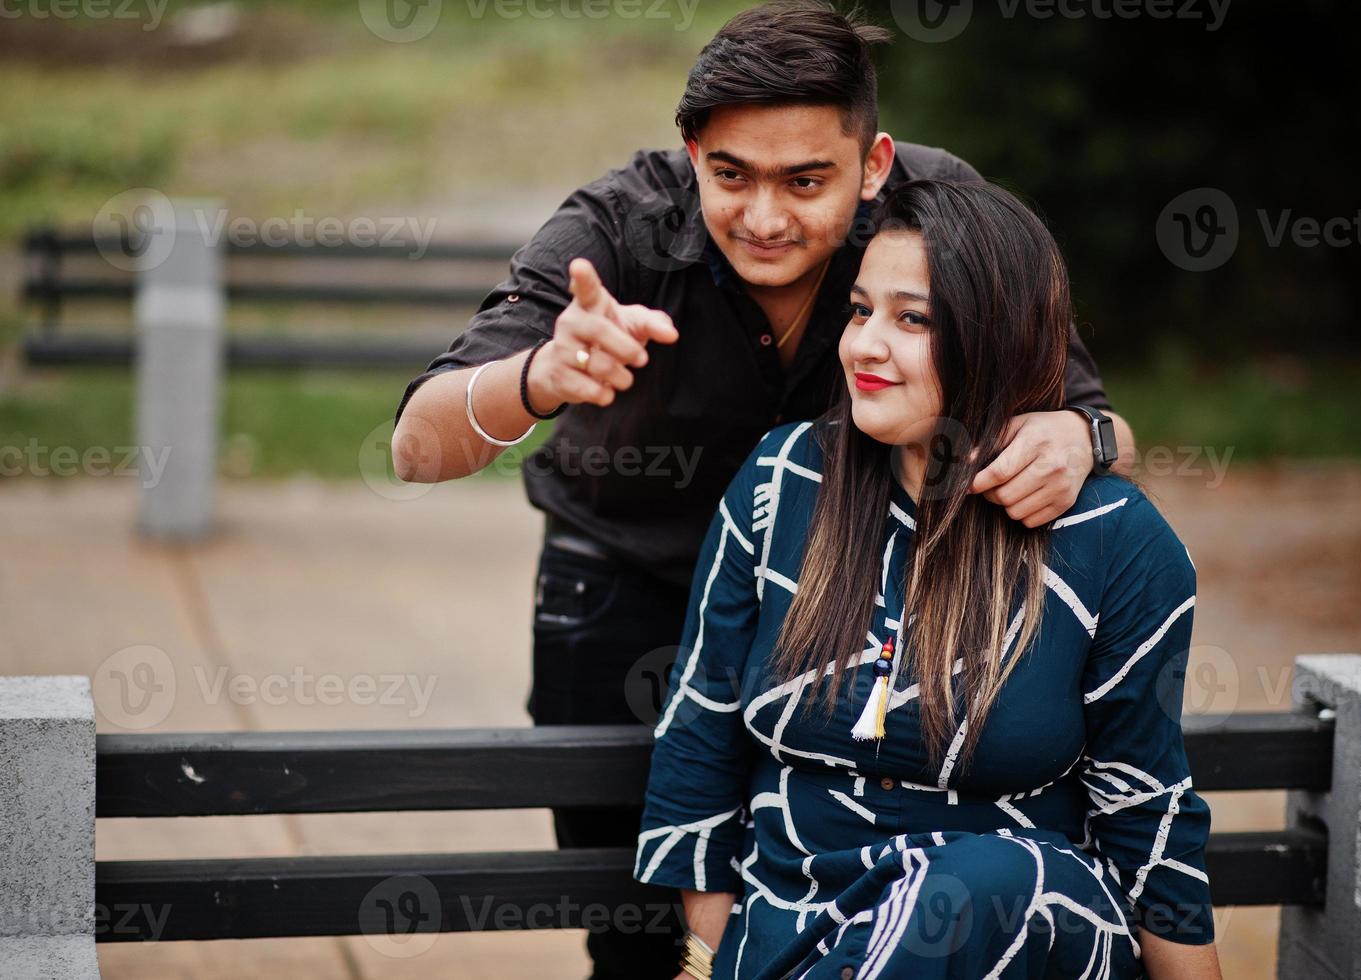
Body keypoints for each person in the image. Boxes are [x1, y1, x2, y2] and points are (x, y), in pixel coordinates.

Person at [391, 4, 1138, 975]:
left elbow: (1105, 426)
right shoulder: (618, 223)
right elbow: (414, 445)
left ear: (874, 166)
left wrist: (1079, 436)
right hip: (628, 592)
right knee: (639, 934)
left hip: (853, 593)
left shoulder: (940, 213)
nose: (766, 216)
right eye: (731, 175)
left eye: (806, 180)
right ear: (692, 150)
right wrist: (538, 374)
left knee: (845, 906)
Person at [636, 178, 1222, 980]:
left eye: (911, 319)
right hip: (797, 938)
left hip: (1016, 934)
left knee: (990, 880)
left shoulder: (1113, 540)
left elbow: (1146, 802)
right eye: (858, 309)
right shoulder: (782, 483)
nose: (864, 344)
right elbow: (698, 734)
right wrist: (708, 957)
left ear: (998, 335)